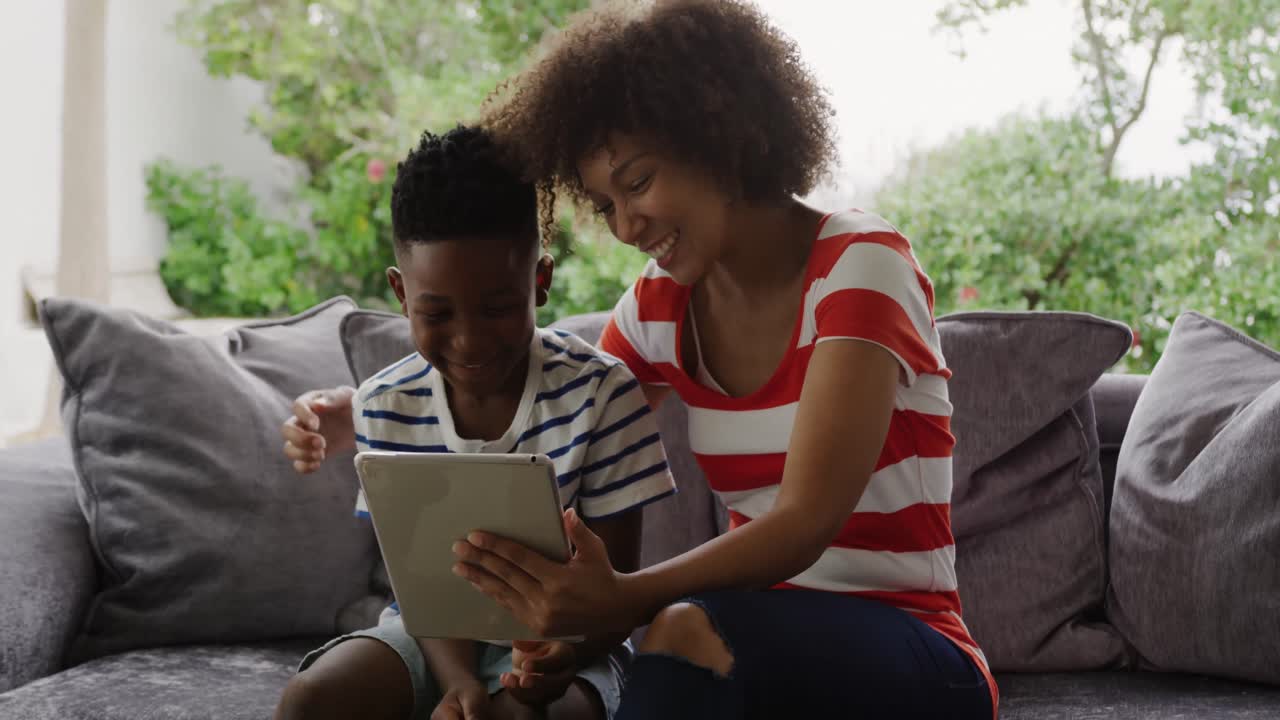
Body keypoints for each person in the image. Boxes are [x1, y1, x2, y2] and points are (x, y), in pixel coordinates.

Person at [455, 1, 1000, 718]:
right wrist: (367, 407)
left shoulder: (861, 265)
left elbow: (805, 522)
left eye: (640, 182)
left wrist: (623, 598)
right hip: (745, 652)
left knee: (684, 625)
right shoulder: (660, 306)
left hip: (919, 650)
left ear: (718, 137)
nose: (625, 226)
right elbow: (557, 432)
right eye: (604, 204)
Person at [274, 125, 676, 720]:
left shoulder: (601, 395)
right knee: (312, 699)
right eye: (437, 311)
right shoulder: (385, 404)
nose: (469, 340)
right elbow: (420, 591)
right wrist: (458, 680)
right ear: (401, 293)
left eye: (497, 308)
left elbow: (615, 596)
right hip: (429, 637)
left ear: (539, 283)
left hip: (572, 648)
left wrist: (557, 655)